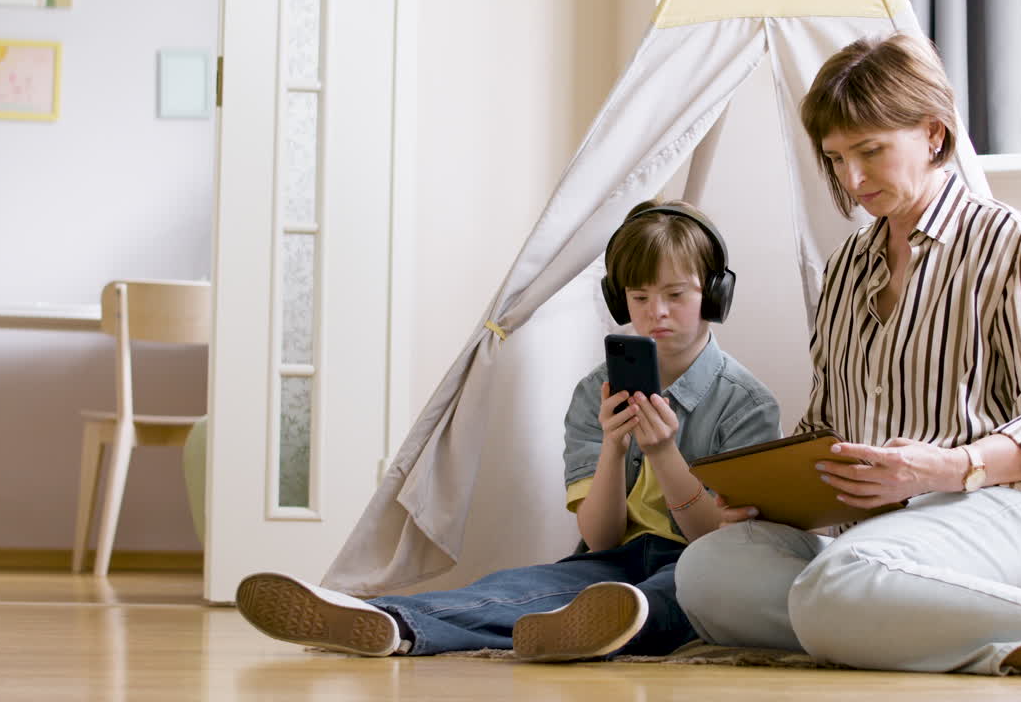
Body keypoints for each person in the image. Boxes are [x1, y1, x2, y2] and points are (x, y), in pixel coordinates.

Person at [673, 33, 1021, 678]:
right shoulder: (846, 268)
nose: (853, 179)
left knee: (839, 583)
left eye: (870, 151)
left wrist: (942, 468)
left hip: (1013, 514)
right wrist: (774, 494)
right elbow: (826, 425)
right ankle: (883, 619)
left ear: (933, 134)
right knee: (708, 571)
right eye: (836, 159)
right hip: (874, 538)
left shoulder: (1011, 244)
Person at [235, 200, 781, 661]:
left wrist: (662, 454)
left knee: (673, 593)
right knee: (519, 587)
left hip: (699, 562)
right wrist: (614, 449)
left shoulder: (747, 405)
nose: (656, 312)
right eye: (639, 297)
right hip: (613, 561)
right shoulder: (596, 392)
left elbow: (714, 541)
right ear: (620, 301)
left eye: (676, 295)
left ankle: (602, 624)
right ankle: (389, 621)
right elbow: (601, 539)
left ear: (715, 295)